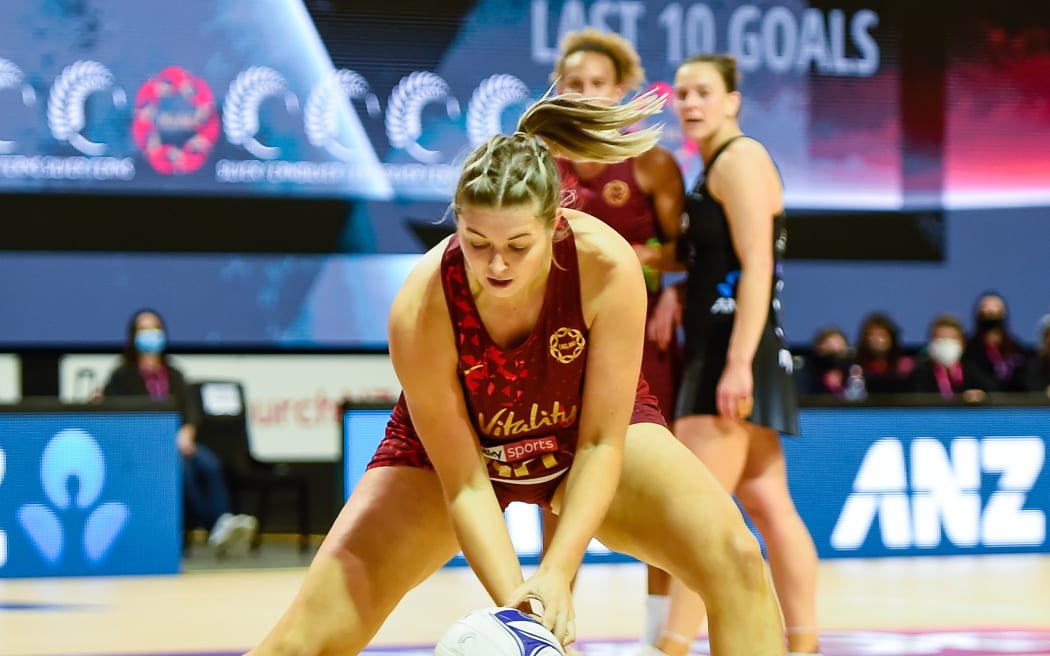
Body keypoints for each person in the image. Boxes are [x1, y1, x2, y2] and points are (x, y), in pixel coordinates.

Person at [246, 92, 785, 656]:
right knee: (300, 642)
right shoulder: (421, 307)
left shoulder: (605, 265)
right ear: (457, 226)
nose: (497, 264)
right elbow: (467, 484)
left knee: (738, 561)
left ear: (556, 225)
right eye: (477, 244)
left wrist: (557, 572)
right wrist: (526, 616)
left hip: (580, 435)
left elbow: (603, 444)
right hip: (456, 459)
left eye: (517, 245)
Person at [647, 54, 820, 656]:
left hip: (731, 355)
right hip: (736, 351)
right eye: (682, 94)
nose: (690, 103)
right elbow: (712, 263)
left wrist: (738, 362)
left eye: (703, 93)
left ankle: (669, 646)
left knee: (697, 520)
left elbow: (757, 265)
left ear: (733, 100)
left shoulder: (741, 159)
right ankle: (803, 645)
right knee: (771, 508)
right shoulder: (715, 166)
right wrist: (674, 290)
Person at [544, 28, 686, 648]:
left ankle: (659, 638)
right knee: (553, 489)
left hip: (642, 347)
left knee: (656, 489)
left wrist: (644, 265)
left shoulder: (653, 163)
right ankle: (552, 628)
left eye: (596, 83)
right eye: (572, 83)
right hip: (560, 345)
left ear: (620, 90)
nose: (584, 93)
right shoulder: (539, 163)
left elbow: (687, 253)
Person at [101, 309, 258, 557]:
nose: (151, 335)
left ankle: (222, 520)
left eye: (155, 329)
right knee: (182, 472)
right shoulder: (123, 375)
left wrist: (187, 432)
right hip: (145, 446)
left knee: (209, 464)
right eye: (144, 330)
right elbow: (116, 412)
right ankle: (213, 525)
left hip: (179, 442)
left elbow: (190, 409)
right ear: (133, 336)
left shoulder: (173, 372)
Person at [910, 313, 994, 401]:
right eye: (941, 339)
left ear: (962, 343)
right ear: (931, 343)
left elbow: (994, 393)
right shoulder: (919, 375)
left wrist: (982, 396)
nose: (946, 344)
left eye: (952, 339)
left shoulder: (973, 371)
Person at [964, 292, 1030, 392]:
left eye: (996, 308)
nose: (990, 311)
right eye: (985, 308)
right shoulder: (967, 350)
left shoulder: (1017, 350)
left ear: (1004, 313)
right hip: (982, 404)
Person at [852, 312, 914, 395]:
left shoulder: (906, 366)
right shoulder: (856, 368)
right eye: (872, 336)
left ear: (891, 338)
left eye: (882, 335)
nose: (877, 340)